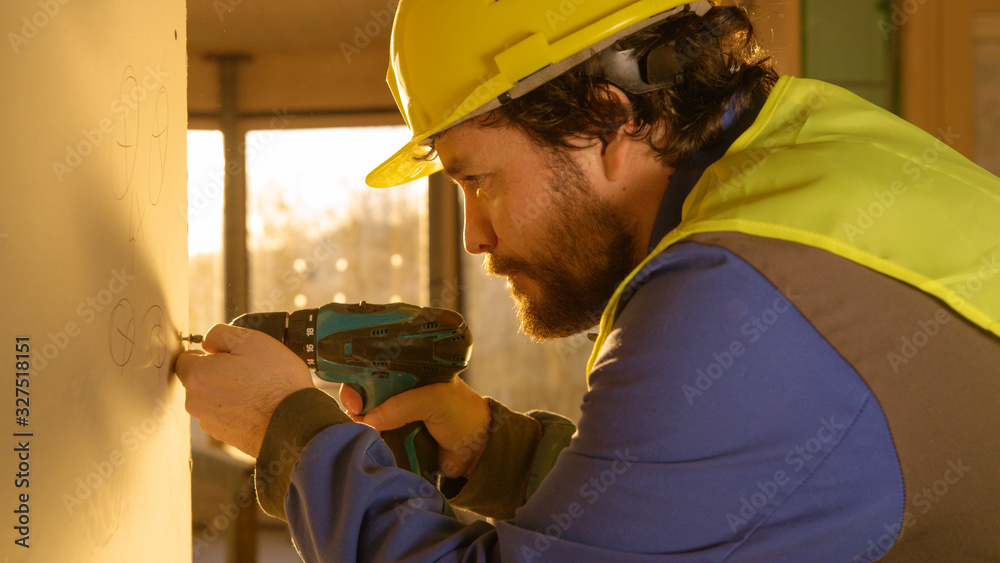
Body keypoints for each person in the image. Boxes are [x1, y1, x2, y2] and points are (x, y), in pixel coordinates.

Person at [177, 0, 1000, 560]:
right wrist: (511, 457)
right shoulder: (817, 152)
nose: (476, 237)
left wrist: (291, 431)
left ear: (607, 120)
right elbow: (772, 495)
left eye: (477, 181)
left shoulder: (738, 292)